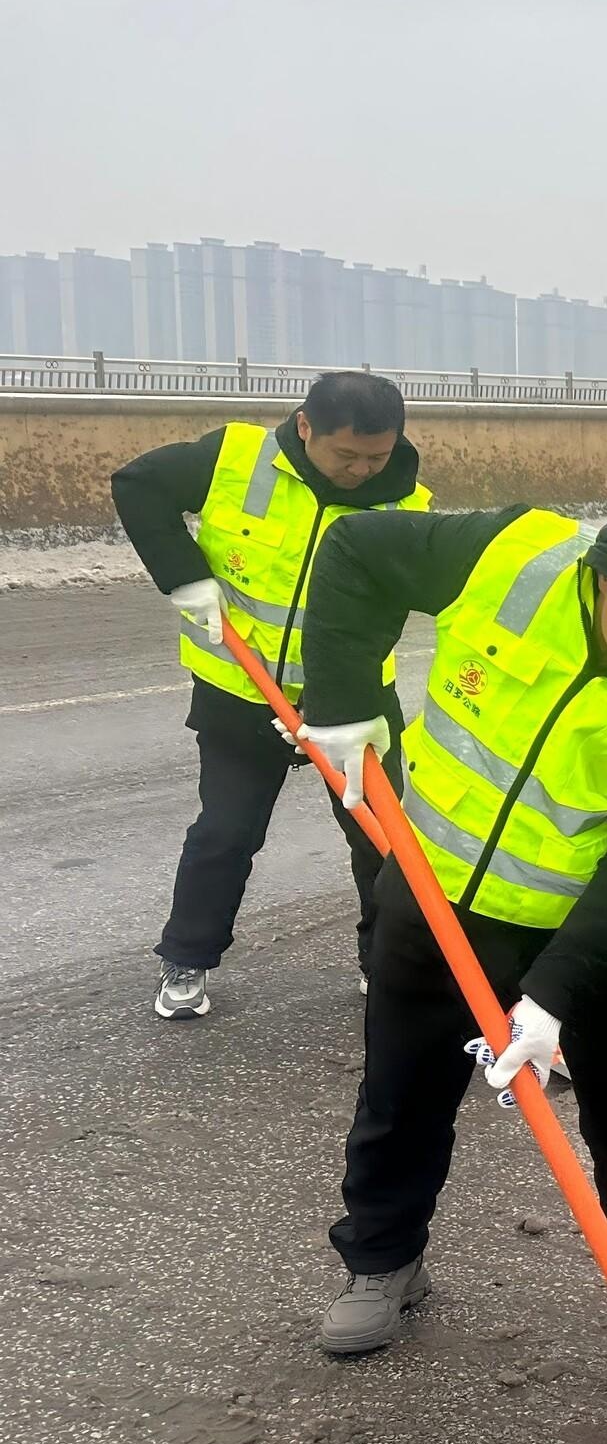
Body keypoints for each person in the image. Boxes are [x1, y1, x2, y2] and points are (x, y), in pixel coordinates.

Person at [291, 485, 607, 1414]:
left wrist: (551, 996)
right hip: (438, 896)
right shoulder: (510, 555)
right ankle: (384, 1265)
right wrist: (345, 705)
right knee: (401, 1089)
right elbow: (353, 551)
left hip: (595, 931)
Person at [112, 371, 426, 1021]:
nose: (362, 471)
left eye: (377, 456)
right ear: (305, 426)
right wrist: (185, 580)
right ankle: (188, 959)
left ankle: (389, 964)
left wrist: (342, 706)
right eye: (347, 455)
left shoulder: (406, 506)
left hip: (353, 703)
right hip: (240, 692)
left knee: (382, 838)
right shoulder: (234, 458)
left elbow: (379, 618)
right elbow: (138, 485)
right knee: (226, 831)